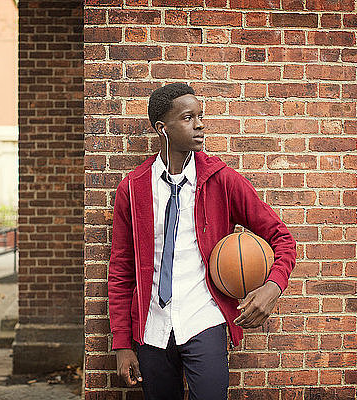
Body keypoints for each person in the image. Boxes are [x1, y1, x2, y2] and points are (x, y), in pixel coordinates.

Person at [107, 83, 297, 400]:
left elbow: (282, 237)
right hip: (151, 326)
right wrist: (123, 343)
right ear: (162, 128)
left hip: (203, 319)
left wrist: (272, 287)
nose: (199, 124)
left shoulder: (221, 179)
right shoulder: (133, 188)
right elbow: (122, 270)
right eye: (188, 117)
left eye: (200, 116)